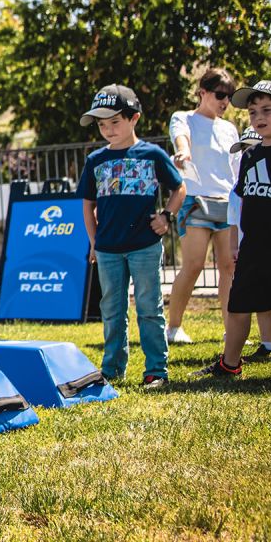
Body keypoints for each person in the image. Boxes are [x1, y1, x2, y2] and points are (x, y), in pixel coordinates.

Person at [196, 81, 271, 386]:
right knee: (238, 307)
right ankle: (230, 364)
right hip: (254, 249)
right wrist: (238, 241)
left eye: (267, 110)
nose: (258, 117)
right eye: (253, 111)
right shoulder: (250, 155)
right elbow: (244, 201)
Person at [77, 84, 185, 389]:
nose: (108, 130)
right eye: (101, 124)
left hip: (145, 247)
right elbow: (88, 204)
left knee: (149, 308)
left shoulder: (151, 154)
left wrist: (166, 216)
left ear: (134, 118)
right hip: (108, 249)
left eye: (114, 122)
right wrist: (94, 241)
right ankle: (112, 369)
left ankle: (156, 370)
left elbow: (179, 188)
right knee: (112, 311)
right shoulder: (95, 160)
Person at [165, 69, 241, 344]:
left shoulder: (229, 128)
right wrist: (183, 151)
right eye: (220, 94)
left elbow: (237, 166)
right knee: (194, 264)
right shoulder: (183, 118)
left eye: (229, 97)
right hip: (195, 200)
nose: (225, 101)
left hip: (226, 202)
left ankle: (230, 328)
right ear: (202, 92)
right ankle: (173, 327)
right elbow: (180, 137)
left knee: (228, 266)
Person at [226, 126, 271, 360]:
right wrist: (233, 247)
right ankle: (268, 344)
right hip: (248, 250)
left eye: (251, 147)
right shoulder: (236, 189)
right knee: (260, 301)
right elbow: (233, 221)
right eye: (244, 149)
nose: (247, 153)